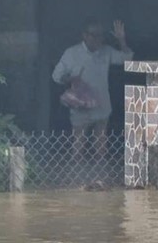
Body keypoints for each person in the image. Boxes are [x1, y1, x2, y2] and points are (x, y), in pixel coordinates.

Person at [52, 20, 133, 158]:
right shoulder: (72, 53)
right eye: (93, 35)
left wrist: (121, 40)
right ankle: (76, 177)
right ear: (84, 35)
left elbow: (127, 58)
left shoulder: (106, 51)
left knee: (101, 145)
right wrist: (71, 79)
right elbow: (56, 76)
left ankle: (101, 177)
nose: (97, 39)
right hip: (80, 105)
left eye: (100, 35)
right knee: (78, 144)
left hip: (102, 104)